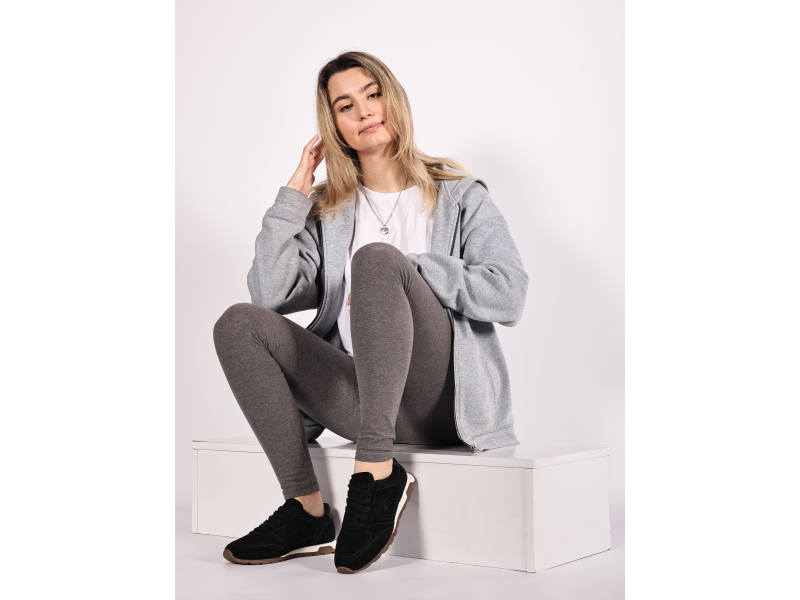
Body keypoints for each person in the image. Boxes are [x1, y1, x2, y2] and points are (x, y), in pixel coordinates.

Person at [212, 51, 529, 574]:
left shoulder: (459, 197)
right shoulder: (328, 211)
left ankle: (377, 473)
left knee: (378, 260)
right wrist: (293, 196)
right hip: (362, 400)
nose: (363, 110)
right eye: (345, 105)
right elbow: (268, 293)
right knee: (239, 323)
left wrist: (414, 269)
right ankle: (306, 511)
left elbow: (509, 294)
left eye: (373, 94)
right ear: (333, 126)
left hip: (439, 403)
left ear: (392, 99)